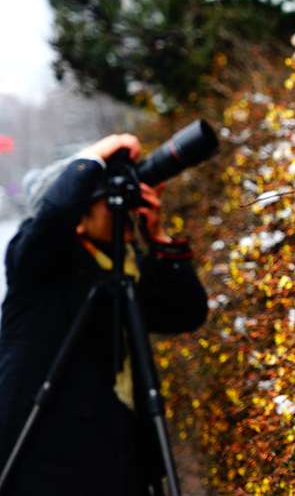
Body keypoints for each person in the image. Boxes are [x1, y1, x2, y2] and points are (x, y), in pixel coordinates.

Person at [0, 134, 208, 495]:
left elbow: (186, 314)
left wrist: (159, 239)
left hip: (118, 463)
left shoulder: (123, 271)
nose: (122, 209)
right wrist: (93, 158)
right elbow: (51, 220)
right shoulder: (38, 269)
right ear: (76, 219)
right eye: (108, 202)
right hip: (40, 464)